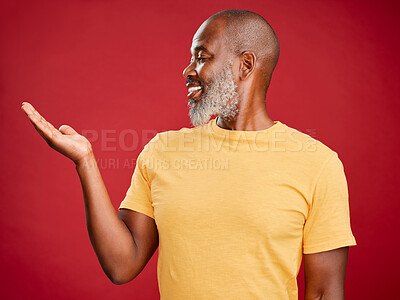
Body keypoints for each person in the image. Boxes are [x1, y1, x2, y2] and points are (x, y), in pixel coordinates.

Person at [21, 9, 356, 300]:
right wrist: (85, 162)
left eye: (202, 56)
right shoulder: (162, 151)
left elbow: (324, 292)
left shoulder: (317, 164)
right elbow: (122, 265)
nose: (188, 71)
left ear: (246, 65)